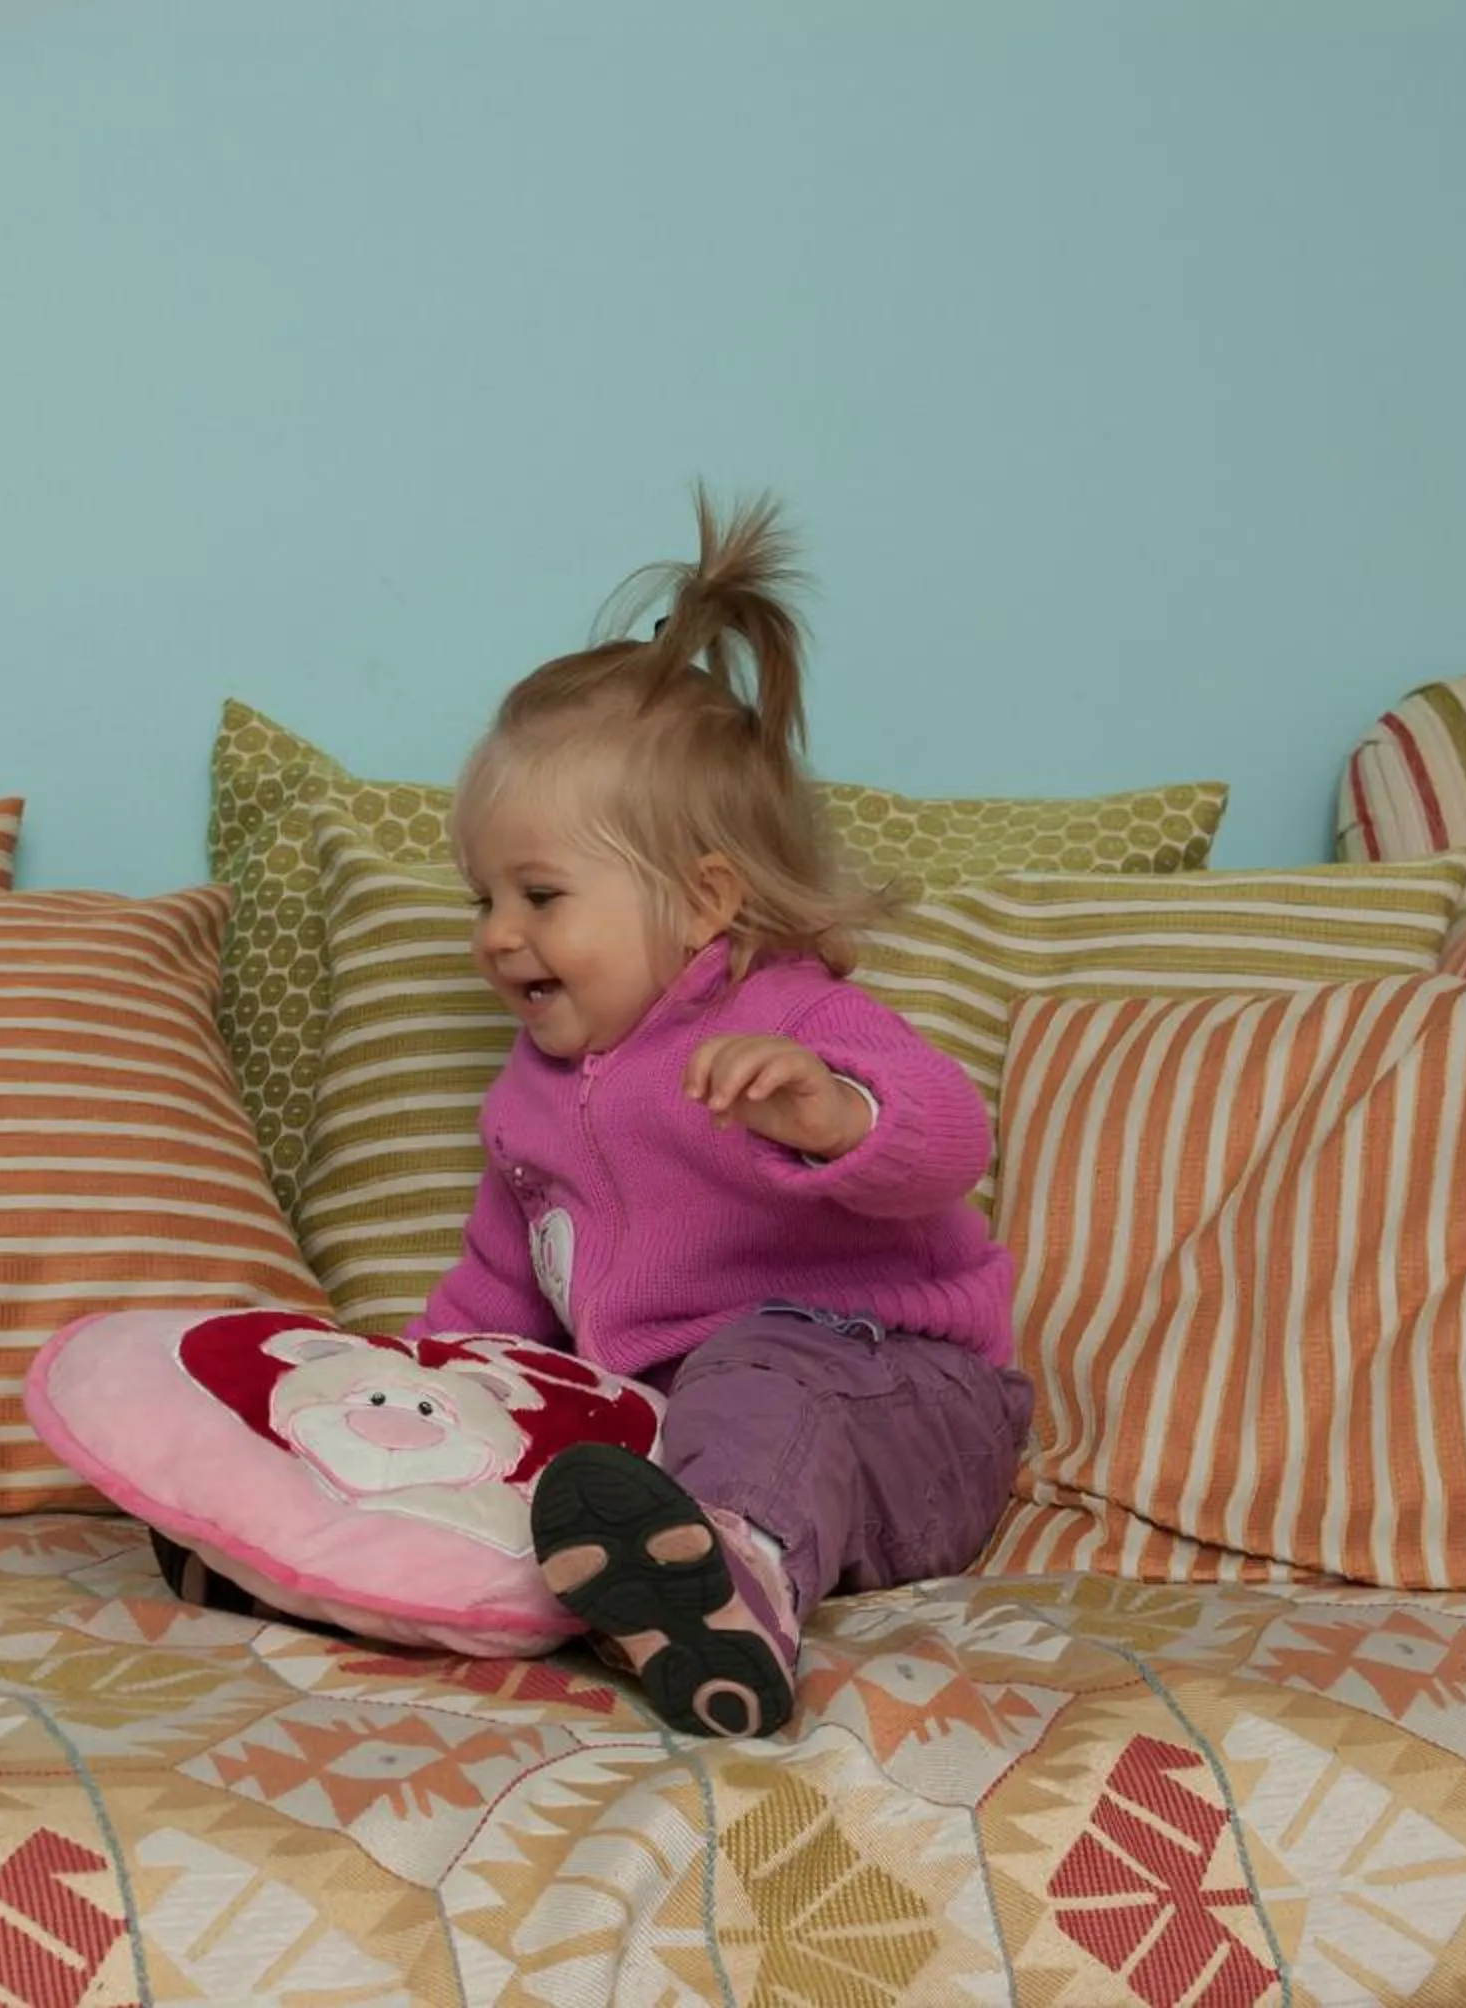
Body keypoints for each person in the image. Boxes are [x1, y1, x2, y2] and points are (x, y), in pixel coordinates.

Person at [397, 490, 1030, 1739]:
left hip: (905, 1410)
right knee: (536, 1431)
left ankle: (730, 1585)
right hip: (685, 1431)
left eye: (538, 893)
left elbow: (953, 1137)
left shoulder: (788, 1015)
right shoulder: (529, 1098)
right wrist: (419, 1400)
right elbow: (495, 1296)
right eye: (483, 897)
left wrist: (834, 1115)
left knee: (756, 1372)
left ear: (700, 903)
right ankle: (391, 1550)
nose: (497, 935)